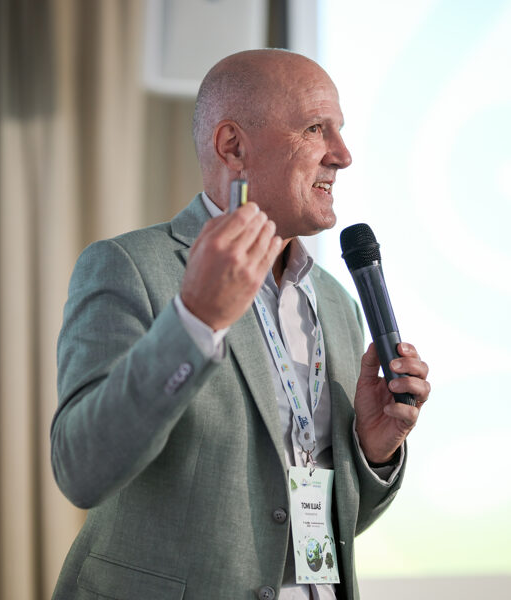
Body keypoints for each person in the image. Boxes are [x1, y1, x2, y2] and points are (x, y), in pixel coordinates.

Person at [51, 49, 430, 600]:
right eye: (315, 129)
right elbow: (81, 469)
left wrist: (372, 453)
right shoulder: (130, 267)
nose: (343, 155)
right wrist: (195, 321)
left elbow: (310, 528)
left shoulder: (336, 304)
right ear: (233, 146)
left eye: (340, 131)